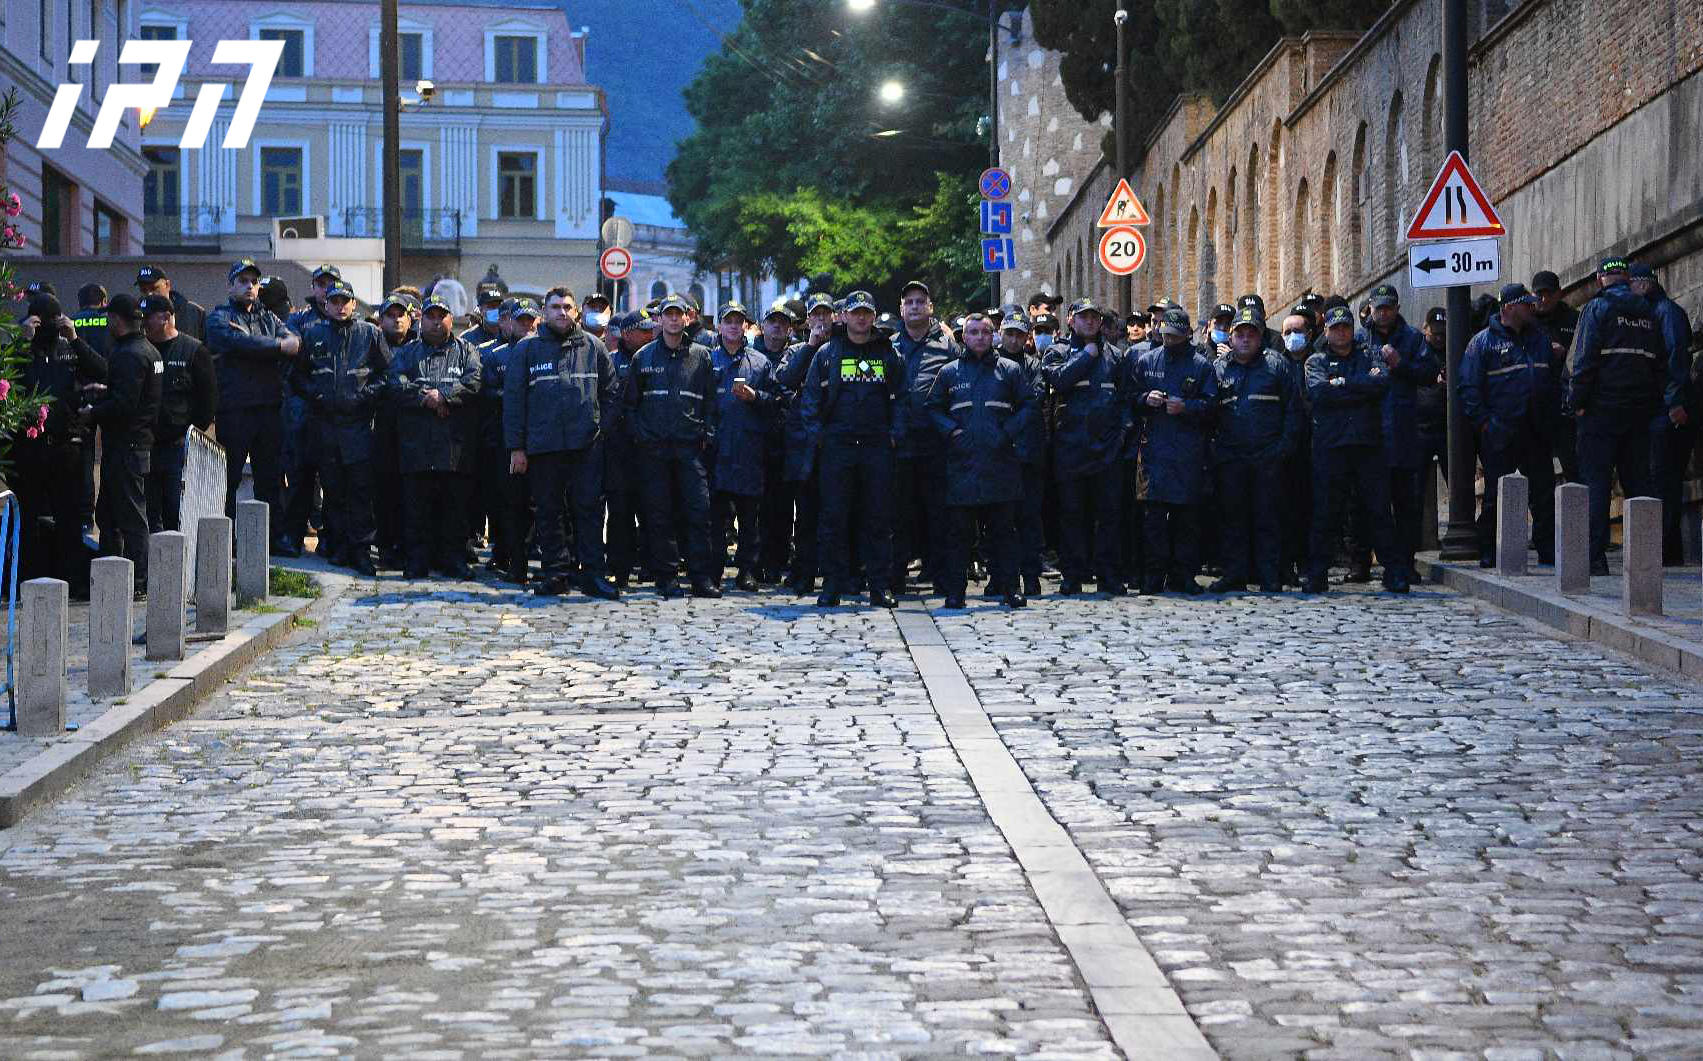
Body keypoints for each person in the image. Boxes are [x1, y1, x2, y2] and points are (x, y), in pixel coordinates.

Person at [506, 287, 619, 599]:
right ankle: (556, 573)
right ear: (544, 311)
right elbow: (514, 402)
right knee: (549, 512)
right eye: (555, 307)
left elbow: (611, 394)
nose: (562, 312)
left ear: (576, 312)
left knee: (589, 512)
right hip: (544, 448)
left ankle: (593, 574)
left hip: (586, 447)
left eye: (567, 307)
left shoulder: (594, 347)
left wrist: (599, 430)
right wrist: (517, 446)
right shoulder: (527, 350)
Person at [802, 290, 907, 608]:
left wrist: (895, 434)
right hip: (838, 448)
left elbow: (903, 398)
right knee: (833, 518)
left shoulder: (888, 354)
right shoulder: (827, 354)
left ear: (874, 317)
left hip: (876, 448)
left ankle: (879, 585)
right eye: (855, 312)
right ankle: (832, 584)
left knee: (877, 518)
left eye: (867, 312)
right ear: (843, 316)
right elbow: (809, 401)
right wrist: (819, 436)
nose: (861, 318)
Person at [927, 312, 1033, 610]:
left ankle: (1011, 588)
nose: (979, 338)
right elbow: (933, 408)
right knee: (959, 534)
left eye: (985, 332)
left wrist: (1009, 431)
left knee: (1004, 533)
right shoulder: (949, 372)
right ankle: (955, 592)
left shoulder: (1010, 370)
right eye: (973, 332)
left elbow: (1028, 405)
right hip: (963, 464)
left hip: (1001, 462)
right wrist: (951, 431)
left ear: (994, 335)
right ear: (963, 336)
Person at [1569, 256, 1667, 575]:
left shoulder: (1597, 309)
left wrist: (1577, 402)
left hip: (1600, 410)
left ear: (1600, 279)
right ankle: (1648, 558)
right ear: (1626, 278)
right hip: (1639, 411)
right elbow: (1659, 365)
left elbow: (1584, 361)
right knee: (1639, 483)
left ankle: (1595, 559)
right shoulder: (1649, 313)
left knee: (1596, 484)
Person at [624, 293, 721, 599]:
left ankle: (701, 577)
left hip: (690, 449)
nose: (675, 319)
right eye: (669, 314)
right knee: (659, 515)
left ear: (688, 318)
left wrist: (708, 432)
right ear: (660, 319)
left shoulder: (702, 356)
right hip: (654, 451)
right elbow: (631, 405)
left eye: (680, 314)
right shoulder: (643, 357)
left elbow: (711, 402)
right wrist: (642, 436)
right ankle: (666, 578)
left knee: (698, 513)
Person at [1304, 305, 1406, 594]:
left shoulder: (1368, 355)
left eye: (1346, 327)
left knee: (1378, 511)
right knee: (1326, 513)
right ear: (1326, 331)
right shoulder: (1316, 361)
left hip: (1366, 445)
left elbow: (1381, 383)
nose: (1341, 333)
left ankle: (1394, 571)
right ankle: (1317, 573)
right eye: (1335, 328)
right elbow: (1319, 392)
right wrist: (1357, 389)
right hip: (1331, 446)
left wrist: (1343, 385)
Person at [289, 280, 389, 575]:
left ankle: (361, 550)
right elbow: (297, 377)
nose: (340, 306)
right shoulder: (313, 334)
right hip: (325, 424)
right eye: (334, 301)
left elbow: (389, 374)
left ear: (354, 304)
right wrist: (316, 395)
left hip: (358, 424)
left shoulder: (370, 333)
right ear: (326, 304)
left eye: (346, 300)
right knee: (333, 490)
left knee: (360, 490)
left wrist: (365, 396)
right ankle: (339, 546)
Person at [1459, 283, 1559, 568]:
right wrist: (1486, 424)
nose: (1532, 307)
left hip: (1536, 429)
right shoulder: (1482, 343)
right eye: (1525, 303)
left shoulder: (1539, 339)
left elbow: (1551, 379)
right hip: (1500, 431)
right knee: (1494, 495)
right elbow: (1468, 389)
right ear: (1508, 307)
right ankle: (1489, 550)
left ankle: (1547, 550)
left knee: (1543, 494)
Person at [15, 293, 106, 599]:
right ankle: (24, 580)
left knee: (69, 520)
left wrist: (76, 339)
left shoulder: (69, 348)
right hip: (28, 448)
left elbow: (102, 371)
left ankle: (70, 580)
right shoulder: (22, 350)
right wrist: (20, 340)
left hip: (65, 447)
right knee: (27, 519)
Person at [390, 294, 482, 579]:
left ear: (451, 319)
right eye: (430, 315)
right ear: (421, 318)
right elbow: (395, 383)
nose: (436, 321)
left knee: (455, 508)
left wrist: (445, 396)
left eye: (441, 315)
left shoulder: (467, 350)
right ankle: (417, 561)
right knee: (416, 508)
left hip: (455, 445)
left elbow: (474, 381)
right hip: (416, 443)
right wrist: (425, 398)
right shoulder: (407, 352)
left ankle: (453, 559)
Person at [206, 258, 300, 533]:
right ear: (231, 285)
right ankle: (225, 535)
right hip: (235, 409)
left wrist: (257, 345)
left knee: (269, 478)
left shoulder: (268, 317)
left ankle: (273, 536)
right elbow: (234, 342)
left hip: (269, 407)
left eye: (253, 281)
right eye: (243, 281)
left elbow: (293, 343)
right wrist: (274, 347)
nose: (249, 286)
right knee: (229, 477)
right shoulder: (219, 316)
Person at [1212, 306, 1301, 592]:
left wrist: (1282, 448)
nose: (1246, 339)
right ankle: (1234, 574)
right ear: (1231, 336)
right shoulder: (1220, 368)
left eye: (1252, 334)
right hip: (1231, 457)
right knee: (1232, 519)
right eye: (1240, 334)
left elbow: (1293, 411)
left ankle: (1269, 575)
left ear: (1261, 336)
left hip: (1268, 456)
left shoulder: (1277, 365)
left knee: (1268, 519)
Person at [1043, 299, 1129, 596]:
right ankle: (1073, 575)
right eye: (1084, 317)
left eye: (1094, 317)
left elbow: (1126, 401)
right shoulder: (1057, 352)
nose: (1090, 322)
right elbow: (1058, 378)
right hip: (1071, 450)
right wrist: (1087, 356)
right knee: (1072, 517)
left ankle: (1108, 575)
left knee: (1108, 516)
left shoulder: (1116, 357)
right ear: (1071, 320)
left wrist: (1119, 438)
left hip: (1106, 451)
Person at [1129, 307, 1217, 594]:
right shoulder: (1146, 361)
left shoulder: (1201, 365)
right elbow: (1129, 397)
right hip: (1154, 449)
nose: (1169, 340)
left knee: (1186, 520)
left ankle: (1183, 575)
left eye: (1175, 337)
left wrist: (1186, 407)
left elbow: (1212, 406)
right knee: (1153, 520)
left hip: (1188, 451)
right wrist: (1145, 398)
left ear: (1186, 335)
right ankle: (1153, 576)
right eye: (1165, 335)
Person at [1359, 283, 1438, 587]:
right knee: (1374, 505)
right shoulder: (1359, 339)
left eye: (1389, 307)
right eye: (1379, 308)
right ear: (1370, 308)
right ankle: (1380, 563)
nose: (1384, 313)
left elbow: (1429, 374)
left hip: (1405, 433)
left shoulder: (1413, 338)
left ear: (1397, 308)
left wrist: (1400, 365)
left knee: (1408, 505)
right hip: (1371, 434)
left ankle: (1405, 563)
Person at [85, 294, 162, 595]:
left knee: (128, 517)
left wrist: (93, 411)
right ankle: (113, 577)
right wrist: (105, 391)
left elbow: (126, 403)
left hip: (126, 446)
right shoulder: (150, 351)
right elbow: (133, 394)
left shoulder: (129, 354)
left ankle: (138, 581)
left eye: (108, 319)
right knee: (110, 513)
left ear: (116, 319)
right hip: (138, 443)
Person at [706, 302, 779, 591]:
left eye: (739, 321)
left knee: (750, 517)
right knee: (716, 518)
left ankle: (747, 570)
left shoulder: (760, 362)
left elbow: (776, 403)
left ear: (746, 326)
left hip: (749, 449)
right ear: (719, 326)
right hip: (717, 448)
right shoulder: (706, 360)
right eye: (729, 321)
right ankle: (714, 570)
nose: (734, 326)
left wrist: (755, 396)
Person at [890, 280, 956, 595]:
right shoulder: (888, 345)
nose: (915, 306)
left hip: (935, 441)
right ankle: (895, 578)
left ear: (930, 307)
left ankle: (943, 576)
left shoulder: (948, 346)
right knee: (899, 513)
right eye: (909, 302)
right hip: (899, 441)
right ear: (901, 309)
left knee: (939, 513)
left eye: (921, 301)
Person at [1630, 262, 1696, 565]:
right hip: (1656, 408)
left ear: (1643, 284)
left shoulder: (1664, 314)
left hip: (1665, 410)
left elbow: (1675, 361)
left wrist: (1673, 403)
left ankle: (1667, 551)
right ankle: (1664, 550)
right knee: (1658, 479)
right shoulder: (1650, 314)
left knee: (1663, 480)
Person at [773, 294, 835, 596]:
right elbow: (785, 378)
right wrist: (811, 346)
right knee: (806, 514)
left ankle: (838, 570)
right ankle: (804, 571)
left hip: (836, 441)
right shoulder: (797, 350)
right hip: (803, 444)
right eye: (816, 315)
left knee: (836, 511)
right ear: (807, 320)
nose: (821, 320)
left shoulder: (842, 348)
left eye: (826, 314)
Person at [141, 293, 217, 534]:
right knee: (149, 513)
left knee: (176, 510)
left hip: (179, 447)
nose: (142, 324)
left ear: (165, 317)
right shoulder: (142, 349)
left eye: (147, 318)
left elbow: (208, 400)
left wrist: (190, 435)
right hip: (147, 445)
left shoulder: (193, 350)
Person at [280, 265, 342, 559]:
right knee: (300, 479)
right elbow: (291, 361)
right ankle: (293, 537)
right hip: (302, 411)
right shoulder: (298, 320)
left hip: (334, 414)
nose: (325, 289)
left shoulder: (346, 322)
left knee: (332, 480)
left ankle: (329, 538)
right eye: (320, 283)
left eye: (331, 283)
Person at [477, 298, 538, 583]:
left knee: (541, 505)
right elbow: (485, 392)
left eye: (530, 320)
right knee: (508, 503)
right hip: (504, 439)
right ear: (509, 322)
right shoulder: (496, 355)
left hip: (541, 439)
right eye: (521, 320)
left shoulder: (546, 352)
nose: (526, 325)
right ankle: (509, 558)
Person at [999, 312, 1048, 597]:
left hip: (1028, 450)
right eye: (1010, 334)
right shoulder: (992, 363)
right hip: (1000, 452)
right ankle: (1002, 577)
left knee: (1029, 518)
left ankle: (1030, 575)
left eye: (1020, 334)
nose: (1014, 340)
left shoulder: (1033, 365)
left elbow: (1034, 397)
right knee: (1001, 519)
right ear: (1001, 334)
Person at [605, 310, 655, 588]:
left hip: (649, 445)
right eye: (644, 331)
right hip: (619, 448)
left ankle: (650, 566)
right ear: (627, 334)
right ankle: (619, 568)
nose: (650, 336)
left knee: (651, 510)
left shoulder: (654, 358)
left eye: (651, 330)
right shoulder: (611, 362)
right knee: (620, 512)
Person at [755, 300, 800, 584]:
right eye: (773, 322)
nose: (777, 327)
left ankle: (779, 558)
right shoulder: (752, 355)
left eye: (783, 323)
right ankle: (758, 559)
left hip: (787, 439)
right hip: (756, 439)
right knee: (757, 506)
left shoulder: (796, 355)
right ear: (763, 325)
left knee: (783, 505)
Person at [371, 292, 416, 568]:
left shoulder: (419, 347)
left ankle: (410, 545)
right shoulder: (372, 344)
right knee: (384, 490)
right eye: (391, 315)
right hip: (382, 426)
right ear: (381, 319)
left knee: (411, 492)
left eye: (401, 315)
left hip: (414, 426)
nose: (397, 319)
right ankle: (386, 546)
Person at [1276, 309, 1315, 585]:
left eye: (1297, 331)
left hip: (1316, 445)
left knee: (1313, 508)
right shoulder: (1278, 365)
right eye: (1287, 332)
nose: (1293, 337)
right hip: (1286, 446)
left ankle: (1309, 562)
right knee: (1285, 508)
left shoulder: (1319, 359)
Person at [1532, 270, 1582, 482]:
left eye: (1548, 294)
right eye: (1538, 294)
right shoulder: (1527, 322)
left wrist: (1566, 352)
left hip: (1565, 404)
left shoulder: (1574, 319)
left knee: (1573, 465)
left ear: (1559, 294)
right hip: (1536, 404)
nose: (1542, 299)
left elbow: (1585, 352)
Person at [1415, 306, 1448, 482]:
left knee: (1458, 485)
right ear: (1425, 328)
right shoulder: (1415, 350)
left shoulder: (1454, 349)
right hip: (1421, 428)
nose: (1439, 338)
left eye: (1443, 333)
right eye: (1435, 333)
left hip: (1447, 429)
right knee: (1416, 489)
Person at [135, 264, 206, 342]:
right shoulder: (135, 314)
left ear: (167, 285)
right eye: (144, 290)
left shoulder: (194, 312)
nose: (149, 294)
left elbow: (207, 348)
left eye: (154, 288)